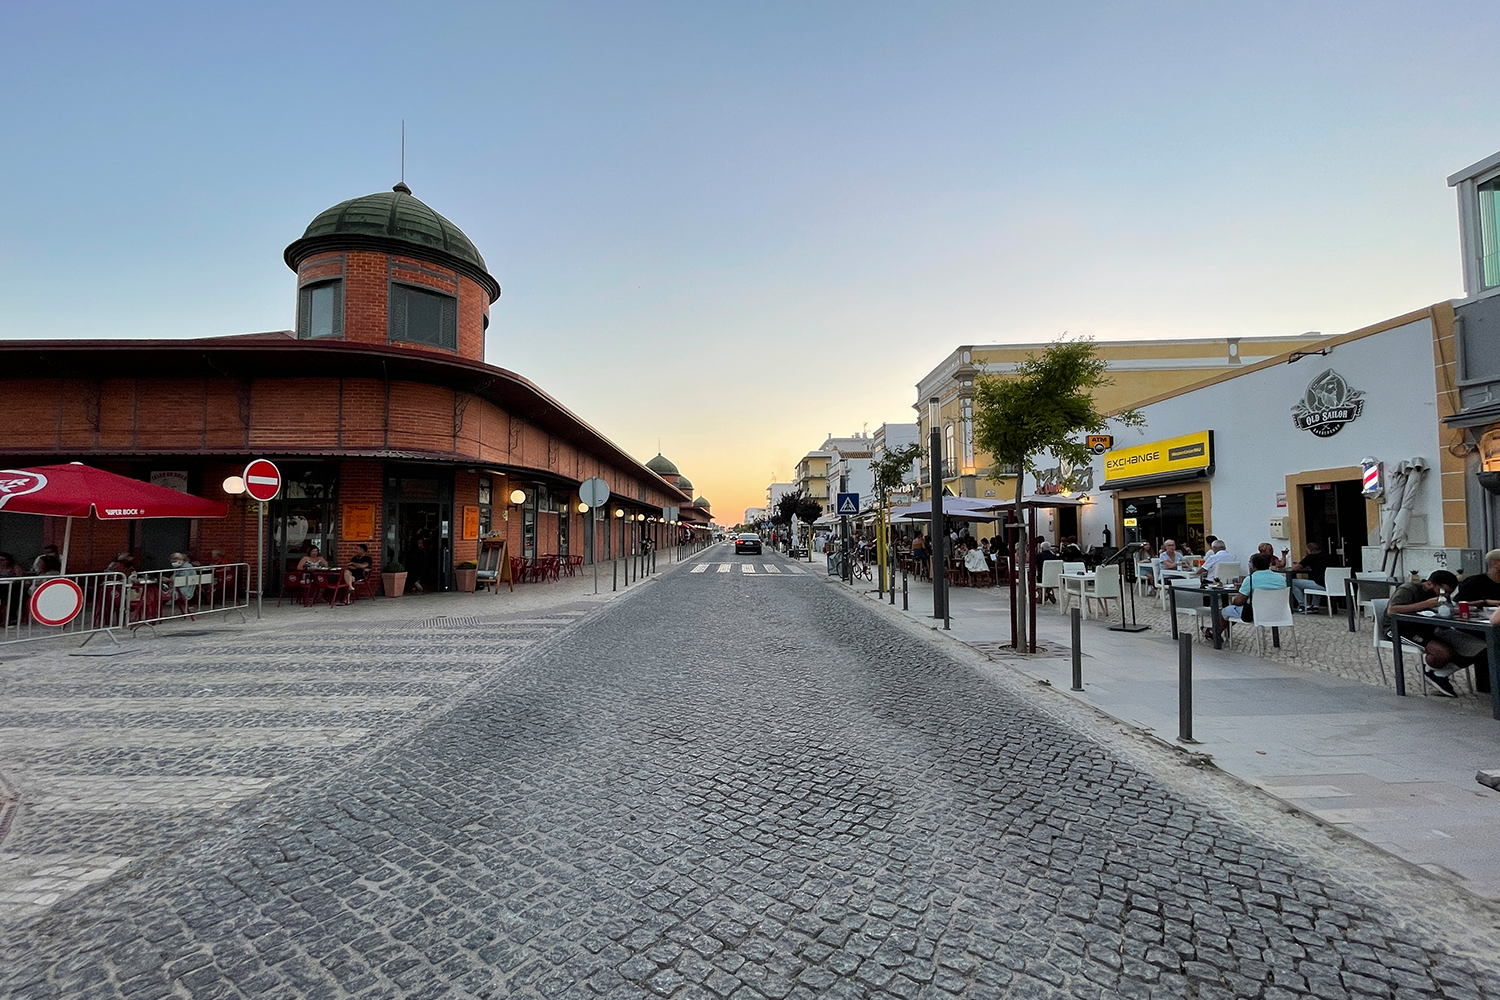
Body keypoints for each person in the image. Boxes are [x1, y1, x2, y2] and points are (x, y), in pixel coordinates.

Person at [1386, 570, 1467, 696]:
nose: (1445, 595)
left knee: (1472, 647)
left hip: (1427, 627)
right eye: (1443, 591)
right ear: (1430, 584)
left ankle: (1438, 673)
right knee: (1442, 653)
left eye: (1448, 593)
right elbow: (1392, 610)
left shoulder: (1442, 595)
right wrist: (1426, 604)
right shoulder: (1408, 589)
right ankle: (1429, 671)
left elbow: (1446, 609)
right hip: (1400, 628)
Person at [1218, 552, 1288, 635]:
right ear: (1269, 564)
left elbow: (1238, 601)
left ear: (1252, 565)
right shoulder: (1280, 577)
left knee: (1225, 611)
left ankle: (1215, 633)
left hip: (1256, 613)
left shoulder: (1250, 579)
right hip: (1278, 613)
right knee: (1234, 610)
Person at [1286, 542, 1332, 612]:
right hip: (1333, 586)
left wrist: (1296, 564)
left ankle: (1303, 605)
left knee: (1292, 582)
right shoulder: (1329, 556)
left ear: (1310, 550)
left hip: (1320, 585)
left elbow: (1295, 568)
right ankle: (1315, 605)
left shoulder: (1310, 557)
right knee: (1316, 580)